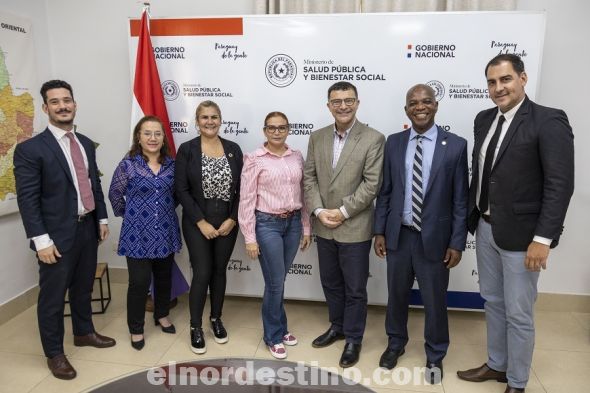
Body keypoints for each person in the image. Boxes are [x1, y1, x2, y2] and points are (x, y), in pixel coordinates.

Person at [457, 54, 574, 393]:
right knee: (492, 302)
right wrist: (473, 219)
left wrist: (543, 238)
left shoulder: (548, 121)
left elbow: (559, 183)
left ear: (522, 79)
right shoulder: (483, 119)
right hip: (486, 228)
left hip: (524, 236)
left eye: (505, 79)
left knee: (519, 313)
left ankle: (518, 382)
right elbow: (483, 175)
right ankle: (497, 364)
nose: (498, 88)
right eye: (492, 82)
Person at [13, 80, 115, 380]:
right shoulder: (31, 149)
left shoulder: (83, 142)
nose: (62, 106)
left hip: (87, 230)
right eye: (55, 102)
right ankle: (55, 353)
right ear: (45, 108)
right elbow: (28, 200)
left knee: (83, 288)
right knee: (53, 298)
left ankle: (84, 332)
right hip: (55, 237)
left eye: (67, 100)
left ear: (75, 103)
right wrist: (41, 241)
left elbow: (93, 184)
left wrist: (102, 219)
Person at [373, 84, 469, 383]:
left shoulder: (455, 144)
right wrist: (379, 231)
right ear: (406, 110)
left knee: (434, 300)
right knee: (397, 295)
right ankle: (395, 343)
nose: (420, 107)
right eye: (413, 103)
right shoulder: (394, 142)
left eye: (426, 101)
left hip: (436, 240)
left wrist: (456, 242)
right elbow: (385, 191)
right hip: (399, 235)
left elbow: (460, 200)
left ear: (436, 106)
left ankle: (435, 353)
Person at [303, 81, 385, 368]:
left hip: (354, 226)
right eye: (336, 101)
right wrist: (317, 210)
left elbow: (372, 184)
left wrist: (342, 211)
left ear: (357, 103)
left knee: (355, 288)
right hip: (324, 224)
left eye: (348, 100)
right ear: (328, 106)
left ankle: (353, 338)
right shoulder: (317, 137)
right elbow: (309, 177)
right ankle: (337, 326)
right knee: (331, 283)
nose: (343, 106)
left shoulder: (373, 138)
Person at [238, 111, 312, 359]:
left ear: (288, 129)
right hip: (266, 224)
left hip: (292, 224)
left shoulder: (297, 157)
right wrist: (249, 237)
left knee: (278, 281)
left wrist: (306, 227)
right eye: (272, 128)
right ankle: (272, 335)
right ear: (264, 130)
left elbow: (304, 195)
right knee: (275, 282)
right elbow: (246, 199)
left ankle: (281, 327)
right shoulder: (254, 159)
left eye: (282, 127)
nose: (277, 132)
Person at [108, 115, 182, 350]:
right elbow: (114, 194)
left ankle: (161, 315)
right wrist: (130, 216)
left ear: (163, 138)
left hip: (165, 231)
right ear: (138, 137)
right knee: (138, 283)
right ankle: (136, 328)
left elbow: (178, 195)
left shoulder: (172, 164)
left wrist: (164, 212)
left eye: (157, 133)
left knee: (163, 278)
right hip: (136, 235)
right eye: (147, 133)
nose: (152, 138)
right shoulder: (128, 164)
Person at [175, 100, 243, 354]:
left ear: (220, 120)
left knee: (219, 271)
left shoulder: (233, 149)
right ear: (197, 121)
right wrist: (200, 221)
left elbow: (242, 190)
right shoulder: (187, 150)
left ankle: (216, 319)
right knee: (202, 272)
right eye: (204, 117)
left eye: (214, 117)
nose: (210, 121)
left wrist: (233, 218)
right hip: (197, 222)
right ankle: (195, 326)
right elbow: (180, 189)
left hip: (227, 221)